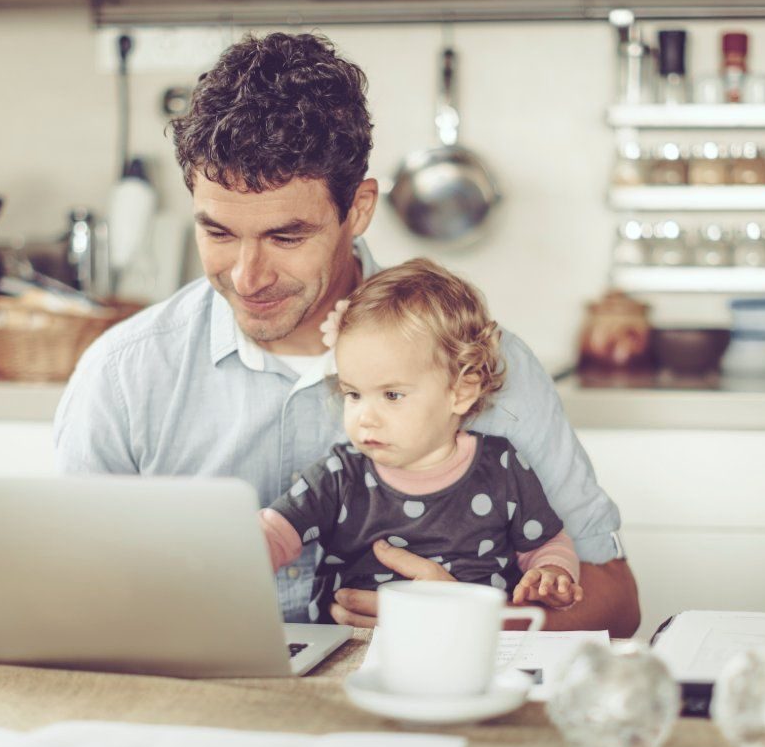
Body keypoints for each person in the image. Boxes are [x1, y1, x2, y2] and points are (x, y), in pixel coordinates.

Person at [54, 31, 640, 637]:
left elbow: (618, 604)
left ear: (358, 209)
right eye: (219, 233)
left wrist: (478, 619)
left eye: (286, 237)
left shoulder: (483, 365)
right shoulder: (123, 375)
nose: (247, 277)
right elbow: (67, 590)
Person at [261, 259, 582, 622]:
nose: (365, 416)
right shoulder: (338, 476)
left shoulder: (501, 468)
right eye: (353, 394)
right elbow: (273, 533)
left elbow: (547, 544)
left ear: (460, 391)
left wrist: (552, 574)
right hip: (349, 653)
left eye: (392, 395)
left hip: (468, 650)